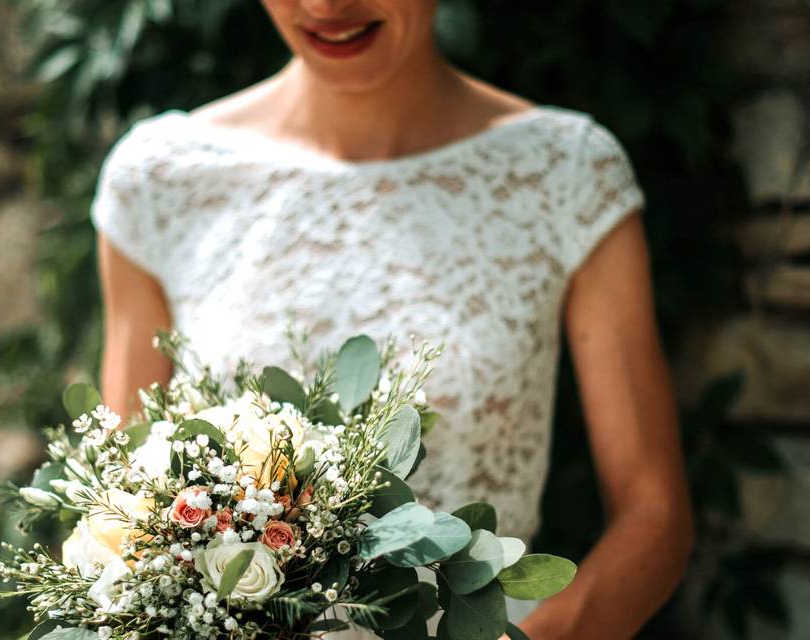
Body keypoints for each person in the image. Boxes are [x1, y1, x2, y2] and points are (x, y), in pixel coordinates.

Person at [92, 1, 694, 638]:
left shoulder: (566, 174)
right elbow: (120, 517)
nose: (324, 6)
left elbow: (653, 515)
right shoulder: (159, 183)